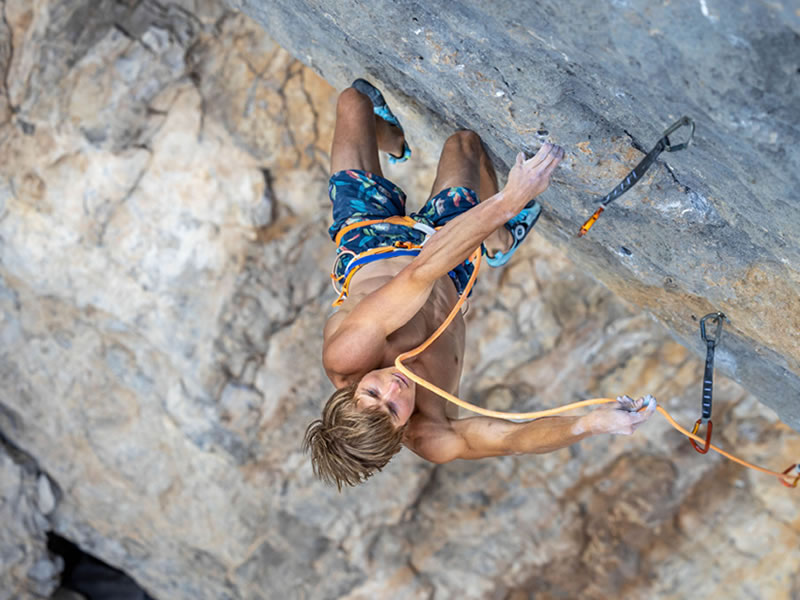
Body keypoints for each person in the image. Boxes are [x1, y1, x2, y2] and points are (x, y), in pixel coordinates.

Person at [305, 80, 656, 490]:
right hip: (450, 269)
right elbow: (511, 438)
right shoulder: (433, 433)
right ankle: (500, 240)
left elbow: (419, 274)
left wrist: (509, 200)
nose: (392, 389)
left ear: (350, 393)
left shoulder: (348, 355)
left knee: (354, 101)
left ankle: (394, 138)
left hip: (373, 240)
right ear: (402, 433)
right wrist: (591, 423)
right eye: (394, 410)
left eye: (372, 393)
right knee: (464, 146)